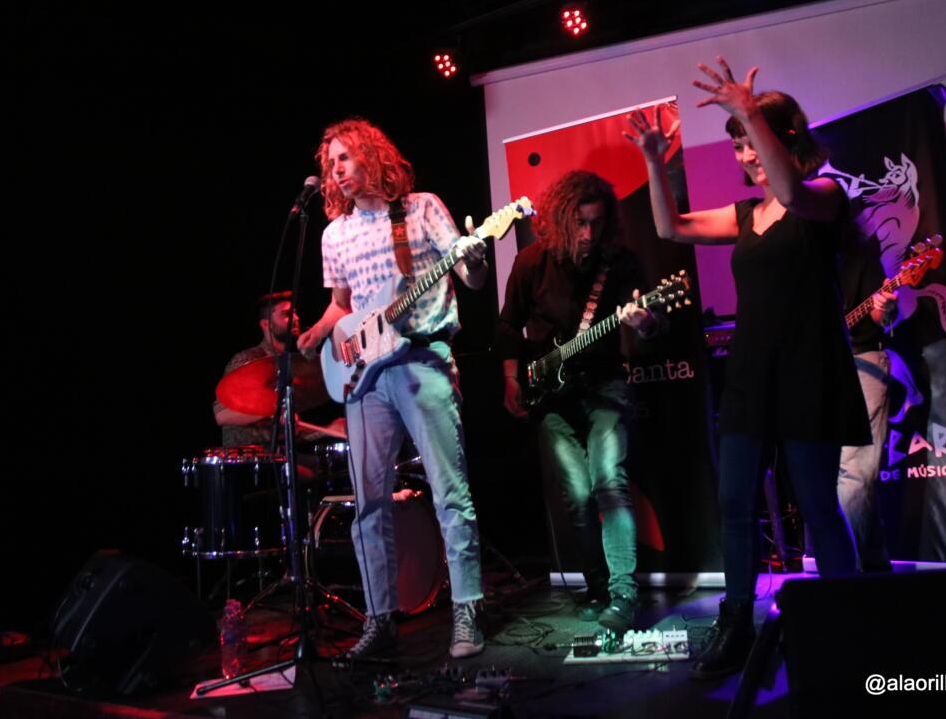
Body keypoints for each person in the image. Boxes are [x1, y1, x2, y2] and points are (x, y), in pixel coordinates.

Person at [625, 57, 868, 680]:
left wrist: (750, 111)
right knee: (735, 503)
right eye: (737, 145)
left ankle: (847, 624)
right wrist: (654, 161)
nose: (746, 154)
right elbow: (669, 226)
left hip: (809, 372)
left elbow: (791, 192)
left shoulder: (825, 195)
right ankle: (736, 625)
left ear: (787, 137)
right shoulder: (744, 216)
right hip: (751, 377)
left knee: (817, 504)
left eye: (752, 140)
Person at [297, 117, 489, 660]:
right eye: (330, 164)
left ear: (372, 156)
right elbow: (342, 304)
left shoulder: (421, 208)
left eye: (345, 158)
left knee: (450, 491)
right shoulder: (335, 234)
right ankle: (379, 619)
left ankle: (468, 610)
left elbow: (471, 276)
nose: (336, 171)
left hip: (422, 359)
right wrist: (322, 332)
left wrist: (475, 257)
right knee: (368, 504)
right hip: (365, 376)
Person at [496, 171, 662, 633]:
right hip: (550, 399)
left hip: (605, 386)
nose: (588, 234)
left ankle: (624, 595)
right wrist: (511, 379)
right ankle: (597, 587)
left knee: (610, 481)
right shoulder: (531, 262)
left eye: (596, 223)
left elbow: (653, 327)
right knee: (578, 495)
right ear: (560, 219)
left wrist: (645, 322)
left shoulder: (619, 264)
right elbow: (508, 325)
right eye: (580, 223)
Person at [213, 291, 346, 448]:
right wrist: (275, 409)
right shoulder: (247, 360)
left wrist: (328, 430)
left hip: (284, 452)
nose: (296, 318)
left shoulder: (293, 365)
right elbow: (222, 415)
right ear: (266, 324)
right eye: (286, 314)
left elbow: (293, 433)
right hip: (250, 455)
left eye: (295, 313)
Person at [836, 235, 897, 573]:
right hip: (820, 369)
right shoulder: (801, 255)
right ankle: (872, 559)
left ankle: (851, 566)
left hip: (863, 360)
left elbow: (877, 315)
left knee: (855, 469)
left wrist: (883, 306)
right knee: (836, 469)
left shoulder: (858, 252)